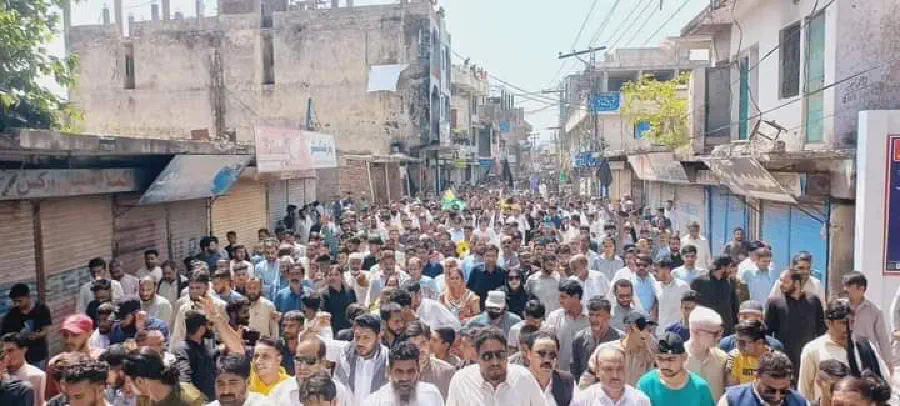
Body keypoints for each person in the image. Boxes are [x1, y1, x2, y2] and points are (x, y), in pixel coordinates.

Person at [798, 299, 889, 401]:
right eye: (843, 323)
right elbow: (804, 392)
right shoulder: (813, 350)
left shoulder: (864, 346)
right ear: (829, 323)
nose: (849, 328)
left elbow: (883, 379)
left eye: (852, 322)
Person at [445, 327, 545, 406]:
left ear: (507, 354)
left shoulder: (523, 378)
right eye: (487, 356)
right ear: (477, 356)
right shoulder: (461, 381)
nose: (495, 362)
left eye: (500, 355)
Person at [171, 297, 244, 401]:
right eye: (208, 325)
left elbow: (216, 353)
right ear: (201, 329)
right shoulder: (182, 349)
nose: (211, 328)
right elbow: (184, 381)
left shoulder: (205, 346)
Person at [765, 267, 826, 376]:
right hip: (784, 359)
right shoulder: (774, 303)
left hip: (808, 357)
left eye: (786, 282)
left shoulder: (813, 301)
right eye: (781, 281)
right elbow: (768, 333)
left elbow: (821, 328)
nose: (781, 284)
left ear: (796, 283)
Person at [269, 336, 354, 406]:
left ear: (322, 362)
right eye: (298, 360)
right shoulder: (280, 391)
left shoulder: (339, 391)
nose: (302, 367)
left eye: (309, 360)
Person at [636, 332, 715, 406]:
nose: (665, 365)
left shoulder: (700, 388)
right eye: (660, 358)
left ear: (684, 357)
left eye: (671, 359)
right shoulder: (645, 385)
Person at [364, 340, 445, 406]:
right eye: (399, 372)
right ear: (389, 371)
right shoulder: (374, 402)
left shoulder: (432, 395)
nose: (405, 378)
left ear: (418, 371)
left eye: (410, 371)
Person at [334, 314, 390, 404]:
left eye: (366, 338)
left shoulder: (388, 359)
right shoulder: (345, 356)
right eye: (357, 337)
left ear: (378, 338)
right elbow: (338, 389)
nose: (360, 342)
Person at [717, 351, 808, 406]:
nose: (777, 397)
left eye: (783, 391)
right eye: (770, 391)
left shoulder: (800, 402)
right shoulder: (732, 400)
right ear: (757, 377)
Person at [123, 348, 207, 405]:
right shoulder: (143, 399)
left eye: (128, 382)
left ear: (140, 381)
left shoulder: (191, 400)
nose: (126, 387)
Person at [571, 347, 651, 406]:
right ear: (597, 372)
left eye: (620, 369)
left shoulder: (640, 401)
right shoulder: (583, 400)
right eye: (608, 369)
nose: (615, 375)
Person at [841, 272, 891, 365]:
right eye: (845, 285)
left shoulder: (874, 311)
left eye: (848, 286)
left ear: (861, 289)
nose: (845, 289)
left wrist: (888, 362)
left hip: (867, 358)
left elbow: (882, 338)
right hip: (843, 356)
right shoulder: (840, 307)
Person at [592, 313, 656, 386]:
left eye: (649, 330)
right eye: (642, 329)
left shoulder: (647, 354)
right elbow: (589, 377)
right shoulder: (605, 349)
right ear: (629, 329)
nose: (646, 334)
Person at [0, 283, 51, 369]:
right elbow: (5, 336)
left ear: (27, 297)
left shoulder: (42, 309)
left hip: (37, 354)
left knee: (38, 375)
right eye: (14, 301)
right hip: (19, 356)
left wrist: (37, 335)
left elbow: (46, 330)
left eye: (19, 301)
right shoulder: (11, 315)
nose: (17, 304)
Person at [543, 280, 589, 375]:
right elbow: (546, 343)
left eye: (563, 297)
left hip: (585, 374)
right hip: (560, 373)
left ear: (576, 297)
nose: (560, 301)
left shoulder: (590, 318)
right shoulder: (554, 317)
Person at [571, 297, 622, 381]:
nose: (594, 319)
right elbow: (575, 370)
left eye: (598, 315)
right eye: (591, 314)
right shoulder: (579, 338)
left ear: (608, 316)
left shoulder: (619, 339)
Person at [685, 306, 728, 399]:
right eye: (715, 333)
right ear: (696, 332)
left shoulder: (722, 358)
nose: (719, 337)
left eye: (721, 332)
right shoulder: (677, 359)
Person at [405, 321, 456, 398]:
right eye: (413, 345)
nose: (419, 349)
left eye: (423, 343)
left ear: (429, 342)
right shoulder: (399, 373)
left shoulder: (447, 372)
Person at [691, 255, 739, 336]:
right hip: (706, 330)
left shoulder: (729, 283)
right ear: (723, 267)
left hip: (726, 331)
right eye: (729, 267)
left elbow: (734, 306)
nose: (731, 270)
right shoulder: (698, 282)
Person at [526, 330, 577, 406]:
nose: (547, 360)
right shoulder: (518, 382)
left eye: (552, 355)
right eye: (541, 353)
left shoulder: (567, 382)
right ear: (529, 354)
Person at [719, 301, 784, 353]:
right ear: (738, 317)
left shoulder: (774, 345)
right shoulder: (727, 344)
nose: (749, 321)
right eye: (745, 317)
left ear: (762, 319)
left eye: (756, 317)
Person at [1, 332, 44, 405]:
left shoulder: (37, 375)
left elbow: (39, 403)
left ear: (24, 349)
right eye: (4, 352)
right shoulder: (2, 374)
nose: (7, 355)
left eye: (11, 350)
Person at [724, 320, 770, 386]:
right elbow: (733, 389)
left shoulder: (773, 359)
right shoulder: (735, 356)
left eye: (742, 342)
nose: (737, 346)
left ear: (759, 343)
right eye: (736, 340)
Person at [654, 256, 691, 335]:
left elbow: (690, 308)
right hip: (661, 332)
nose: (654, 274)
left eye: (657, 271)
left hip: (678, 332)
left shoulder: (683, 286)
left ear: (667, 270)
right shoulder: (655, 286)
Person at [468, 245, 508, 310]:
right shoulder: (475, 271)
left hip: (497, 310)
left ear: (497, 257)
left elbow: (505, 291)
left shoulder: (502, 273)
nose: (490, 259)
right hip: (479, 309)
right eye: (488, 256)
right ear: (484, 256)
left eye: (493, 256)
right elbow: (469, 291)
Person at [320, 263, 357, 332]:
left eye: (336, 275)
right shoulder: (323, 294)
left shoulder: (350, 291)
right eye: (330, 275)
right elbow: (324, 314)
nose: (333, 277)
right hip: (333, 331)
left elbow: (355, 311)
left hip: (350, 330)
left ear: (341, 276)